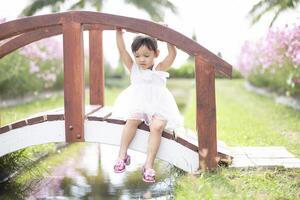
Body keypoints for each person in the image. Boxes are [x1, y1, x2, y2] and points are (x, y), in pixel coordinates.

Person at [112, 27, 183, 183]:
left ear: (156, 54)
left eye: (146, 55)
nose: (141, 59)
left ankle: (148, 164)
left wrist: (167, 35)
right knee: (132, 120)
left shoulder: (160, 69)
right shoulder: (133, 68)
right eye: (137, 56)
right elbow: (122, 50)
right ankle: (122, 155)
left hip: (159, 105)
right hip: (138, 104)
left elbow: (173, 54)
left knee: (157, 127)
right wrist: (118, 33)